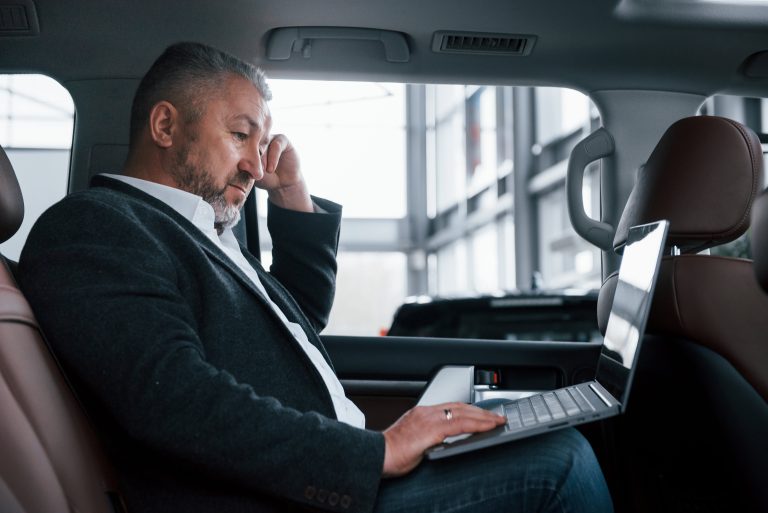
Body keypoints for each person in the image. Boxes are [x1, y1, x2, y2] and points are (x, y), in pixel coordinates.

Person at [18, 42, 613, 513]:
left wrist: (294, 194)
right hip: (278, 497)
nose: (256, 162)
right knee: (561, 463)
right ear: (166, 126)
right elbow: (173, 398)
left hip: (321, 479)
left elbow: (293, 318)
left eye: (261, 139)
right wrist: (375, 451)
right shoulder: (96, 228)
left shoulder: (203, 230)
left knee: (540, 442)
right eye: (238, 134)